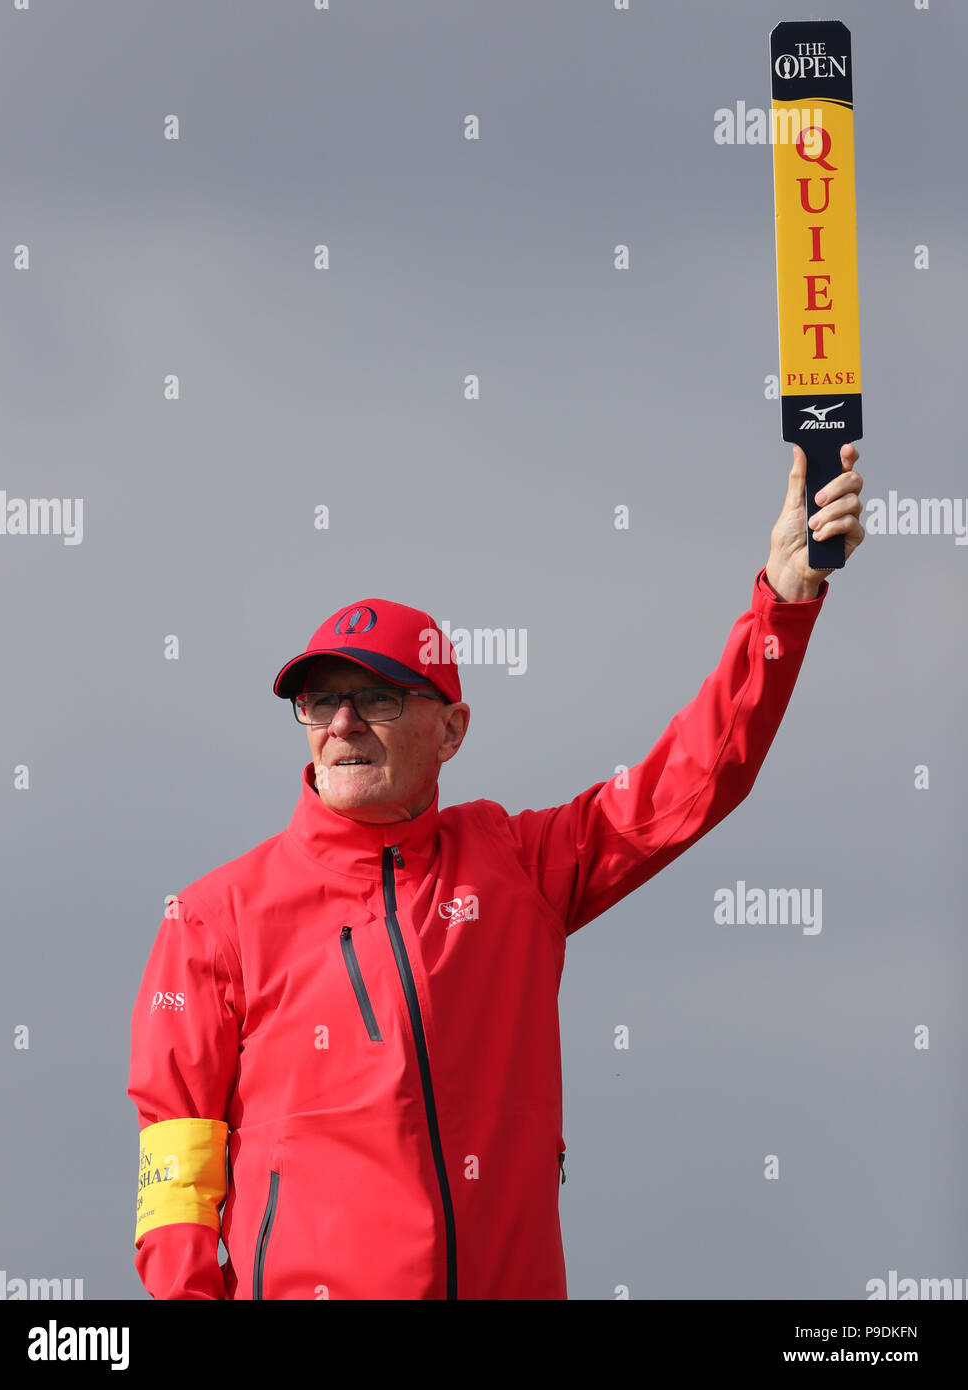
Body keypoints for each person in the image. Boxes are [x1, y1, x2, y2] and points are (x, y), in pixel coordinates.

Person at [128, 444, 864, 1300]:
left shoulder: (516, 865)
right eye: (319, 699)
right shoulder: (213, 917)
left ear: (451, 730)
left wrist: (785, 596)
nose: (342, 722)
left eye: (378, 697)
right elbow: (176, 1177)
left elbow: (698, 778)